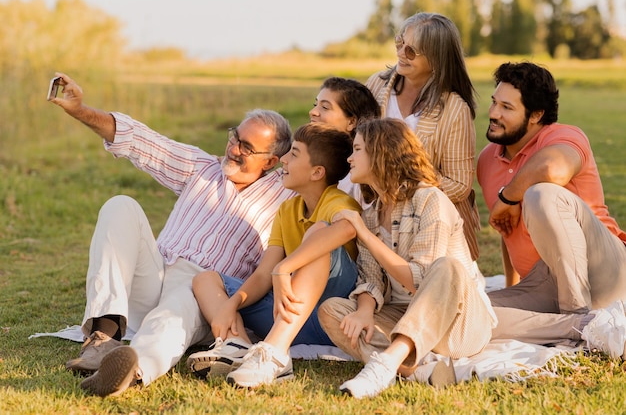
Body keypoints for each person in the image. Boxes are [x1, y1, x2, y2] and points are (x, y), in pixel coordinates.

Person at [48, 72, 295, 397]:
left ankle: (131, 371)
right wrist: (80, 110)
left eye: (246, 147)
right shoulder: (202, 168)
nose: (233, 148)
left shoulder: (286, 196)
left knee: (172, 314)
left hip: (204, 289)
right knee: (120, 206)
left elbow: (337, 178)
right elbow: (142, 141)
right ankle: (103, 339)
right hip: (156, 272)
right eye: (235, 137)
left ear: (272, 161)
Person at [317, 118, 497, 399]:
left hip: (457, 325)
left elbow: (421, 279)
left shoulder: (430, 199)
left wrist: (365, 235)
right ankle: (417, 372)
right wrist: (364, 310)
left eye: (357, 149)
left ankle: (386, 363)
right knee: (332, 310)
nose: (350, 157)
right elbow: (371, 278)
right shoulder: (373, 214)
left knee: (446, 266)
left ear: (380, 153)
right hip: (404, 315)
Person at [187, 122, 360, 388]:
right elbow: (263, 273)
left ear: (317, 172)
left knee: (319, 234)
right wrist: (229, 306)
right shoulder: (288, 208)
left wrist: (284, 268)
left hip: (330, 317)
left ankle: (275, 356)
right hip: (288, 311)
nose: (284, 159)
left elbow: (349, 228)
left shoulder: (338, 202)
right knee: (205, 279)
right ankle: (239, 346)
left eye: (294, 153)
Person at [477, 62, 626, 357]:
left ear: (536, 115)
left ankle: (577, 314)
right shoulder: (487, 160)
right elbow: (508, 231)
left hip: (606, 271)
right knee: (466, 314)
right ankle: (580, 328)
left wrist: (507, 198)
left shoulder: (565, 137)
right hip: (543, 283)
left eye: (507, 107)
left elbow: (552, 169)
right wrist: (512, 289)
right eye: (495, 102)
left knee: (541, 195)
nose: (493, 113)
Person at [365, 12, 481, 261]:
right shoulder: (376, 85)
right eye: (399, 43)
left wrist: (404, 187)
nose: (400, 53)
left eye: (411, 51)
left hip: (427, 224)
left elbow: (460, 185)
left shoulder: (454, 108)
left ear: (436, 59)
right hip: (373, 210)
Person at [309, 76, 380, 206]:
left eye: (325, 107)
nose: (313, 112)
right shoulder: (306, 156)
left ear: (352, 121)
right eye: (315, 105)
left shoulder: (360, 177)